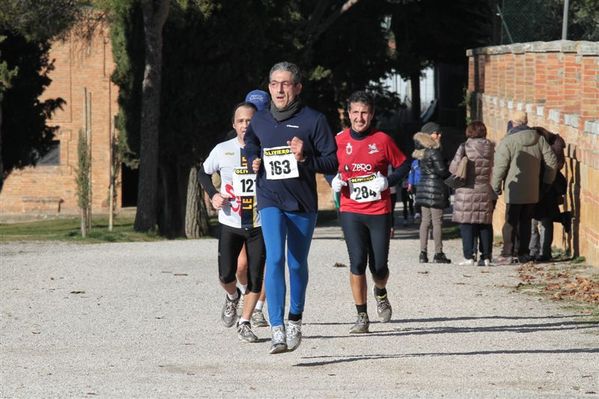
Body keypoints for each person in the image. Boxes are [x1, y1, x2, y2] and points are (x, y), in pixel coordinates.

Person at [244, 61, 338, 354]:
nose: (279, 89)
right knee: (274, 258)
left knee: (296, 262)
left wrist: (305, 157)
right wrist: (253, 160)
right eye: (274, 83)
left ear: (297, 87)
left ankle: (295, 319)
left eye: (285, 84)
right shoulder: (259, 120)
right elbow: (249, 145)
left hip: (301, 203)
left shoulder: (313, 120)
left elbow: (332, 162)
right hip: (270, 198)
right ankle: (277, 329)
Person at [331, 91, 409, 334]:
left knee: (379, 268)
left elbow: (404, 163)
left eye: (364, 112)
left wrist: (388, 180)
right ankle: (361, 315)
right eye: (355, 112)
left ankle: (381, 291)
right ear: (349, 114)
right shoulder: (339, 140)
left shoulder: (383, 139)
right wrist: (331, 179)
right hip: (351, 209)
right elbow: (326, 164)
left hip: (378, 210)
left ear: (371, 114)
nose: (359, 117)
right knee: (356, 262)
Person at [197, 102, 265, 343]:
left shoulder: (265, 149)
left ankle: (245, 322)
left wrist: (263, 166)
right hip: (230, 222)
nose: (245, 125)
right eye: (241, 121)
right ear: (234, 125)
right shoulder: (222, 149)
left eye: (250, 120)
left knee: (256, 277)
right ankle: (233, 296)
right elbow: (203, 172)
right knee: (226, 275)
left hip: (258, 224)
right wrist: (214, 194)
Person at [492, 111, 557, 264]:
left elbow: (500, 167)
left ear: (513, 123)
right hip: (532, 188)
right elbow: (552, 162)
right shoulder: (539, 139)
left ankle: (507, 253)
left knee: (510, 222)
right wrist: (546, 183)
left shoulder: (508, 141)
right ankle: (524, 253)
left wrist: (495, 187)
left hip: (514, 188)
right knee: (526, 221)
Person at [449, 121, 496, 266]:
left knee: (467, 223)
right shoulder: (491, 148)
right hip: (484, 189)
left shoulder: (464, 147)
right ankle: (486, 257)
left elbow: (454, 168)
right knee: (484, 224)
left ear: (469, 132)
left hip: (466, 191)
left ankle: (469, 256)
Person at [412, 131, 452, 264]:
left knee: (425, 222)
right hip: (435, 189)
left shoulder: (420, 154)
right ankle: (438, 253)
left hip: (423, 188)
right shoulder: (433, 152)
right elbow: (442, 171)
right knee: (437, 222)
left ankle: (422, 253)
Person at [529, 126, 567, 262]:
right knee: (537, 220)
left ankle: (542, 251)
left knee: (543, 220)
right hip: (544, 186)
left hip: (547, 187)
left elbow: (557, 165)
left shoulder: (552, 145)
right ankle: (536, 250)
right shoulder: (547, 143)